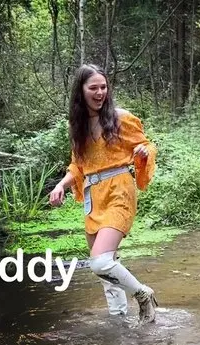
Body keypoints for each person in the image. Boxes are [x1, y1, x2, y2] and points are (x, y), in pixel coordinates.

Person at [49, 64, 158, 324]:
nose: (100, 93)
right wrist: (61, 185)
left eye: (104, 87)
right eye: (93, 88)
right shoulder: (78, 126)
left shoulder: (120, 118)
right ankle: (119, 320)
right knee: (106, 270)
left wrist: (144, 152)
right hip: (92, 196)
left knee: (100, 262)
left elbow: (146, 144)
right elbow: (77, 165)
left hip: (119, 189)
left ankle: (143, 295)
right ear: (81, 91)